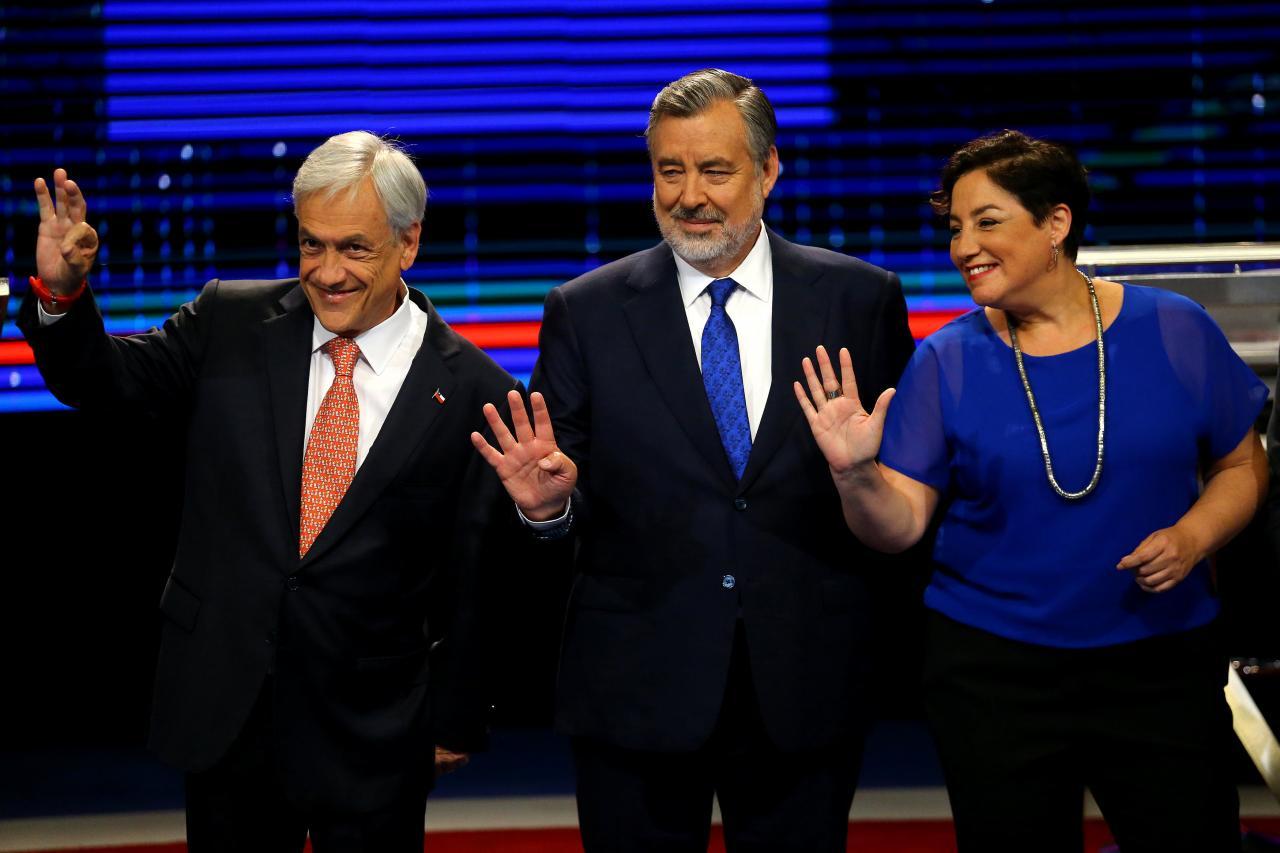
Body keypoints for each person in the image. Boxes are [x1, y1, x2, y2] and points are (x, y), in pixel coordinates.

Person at [21, 132, 519, 852]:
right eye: (311, 246)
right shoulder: (231, 320)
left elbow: (477, 575)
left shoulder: (477, 390)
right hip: (230, 705)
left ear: (408, 244)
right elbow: (107, 384)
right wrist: (64, 297)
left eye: (354, 248)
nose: (327, 272)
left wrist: (456, 715)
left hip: (373, 725)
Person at [472, 68, 915, 852]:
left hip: (803, 679)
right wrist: (545, 509)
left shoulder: (858, 298)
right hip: (635, 682)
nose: (689, 194)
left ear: (769, 168)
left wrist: (860, 471)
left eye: (715, 169)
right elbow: (554, 485)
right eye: (669, 170)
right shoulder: (586, 308)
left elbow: (902, 487)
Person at [794, 129, 1269, 852]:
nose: (963, 247)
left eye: (987, 221)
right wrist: (855, 473)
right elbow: (897, 526)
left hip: (1159, 664)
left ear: (1056, 223)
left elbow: (1243, 465)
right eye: (955, 227)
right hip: (994, 676)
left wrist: (1195, 535)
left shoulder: (1175, 327)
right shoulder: (946, 359)